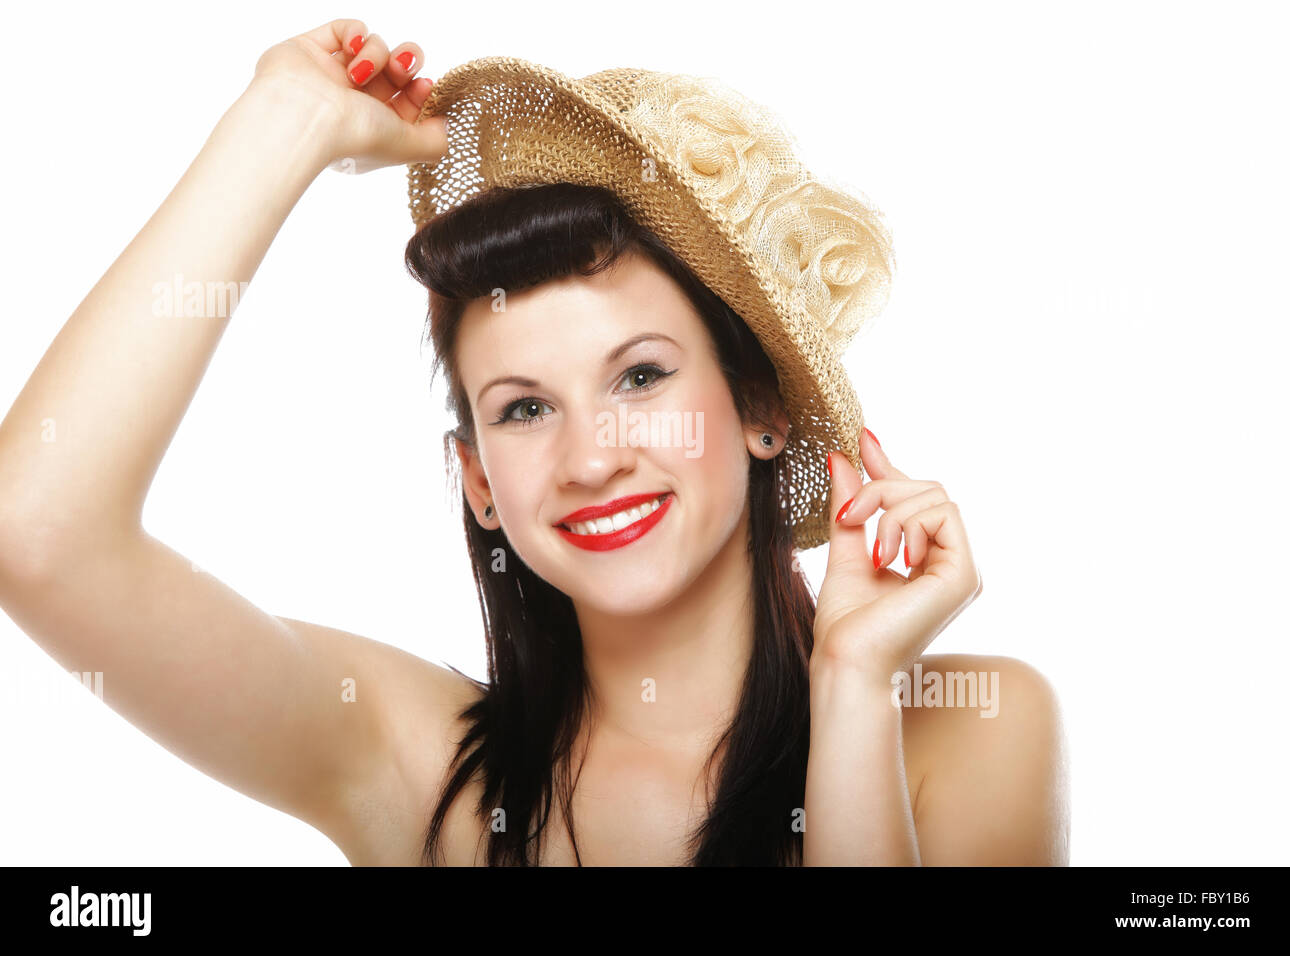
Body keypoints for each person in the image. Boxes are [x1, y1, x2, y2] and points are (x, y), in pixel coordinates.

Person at [0, 17, 1068, 866]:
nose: (590, 455)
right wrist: (282, 120)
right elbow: (36, 532)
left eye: (640, 376)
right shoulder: (412, 763)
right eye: (521, 407)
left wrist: (849, 686)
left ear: (761, 410)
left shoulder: (974, 733)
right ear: (475, 479)